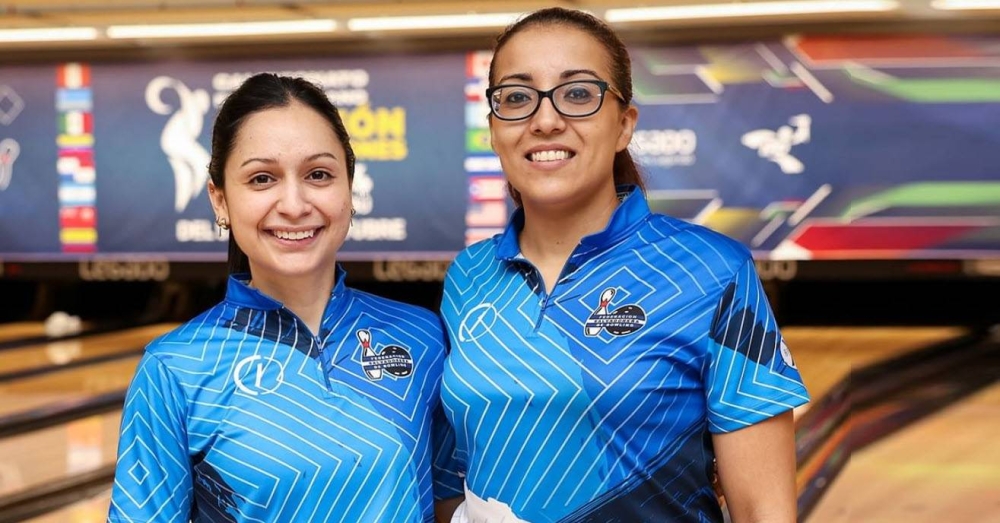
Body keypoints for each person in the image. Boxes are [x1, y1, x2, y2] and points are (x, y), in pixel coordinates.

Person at [438, 8, 810, 523]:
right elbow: (455, 480)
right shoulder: (468, 276)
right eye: (517, 98)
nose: (545, 120)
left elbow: (762, 508)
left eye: (578, 94)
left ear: (623, 125)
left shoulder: (713, 271)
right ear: (496, 129)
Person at [108, 72, 462, 522]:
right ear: (220, 201)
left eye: (318, 174)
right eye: (261, 179)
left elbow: (451, 505)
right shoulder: (174, 369)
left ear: (349, 189)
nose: (294, 204)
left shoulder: (422, 337)